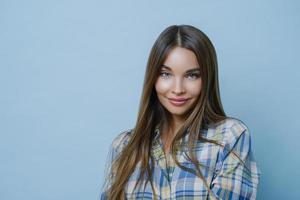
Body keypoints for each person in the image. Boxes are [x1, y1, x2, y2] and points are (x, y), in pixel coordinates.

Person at [100, 24, 261, 200]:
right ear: (153, 78)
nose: (178, 89)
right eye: (165, 74)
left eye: (192, 75)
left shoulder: (230, 137)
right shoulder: (124, 147)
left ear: (207, 79)